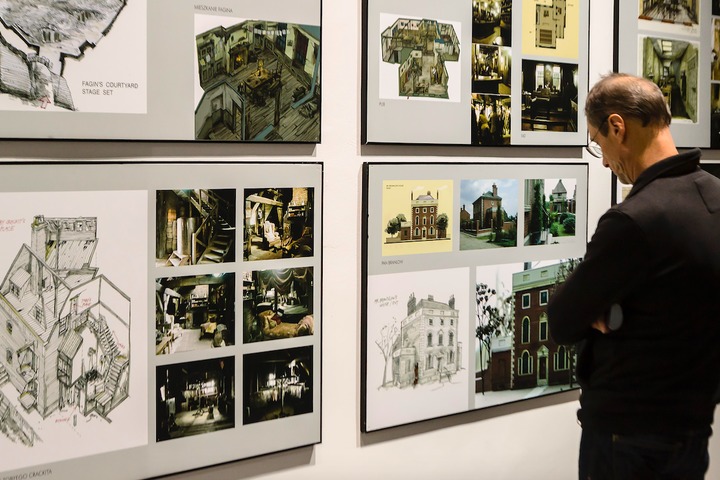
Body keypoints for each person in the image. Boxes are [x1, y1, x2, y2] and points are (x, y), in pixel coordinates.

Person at [548, 72, 720, 479]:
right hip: (692, 434)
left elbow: (562, 320)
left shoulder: (633, 221)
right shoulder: (715, 196)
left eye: (598, 144)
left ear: (617, 127)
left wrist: (602, 309)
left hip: (625, 441)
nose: (605, 161)